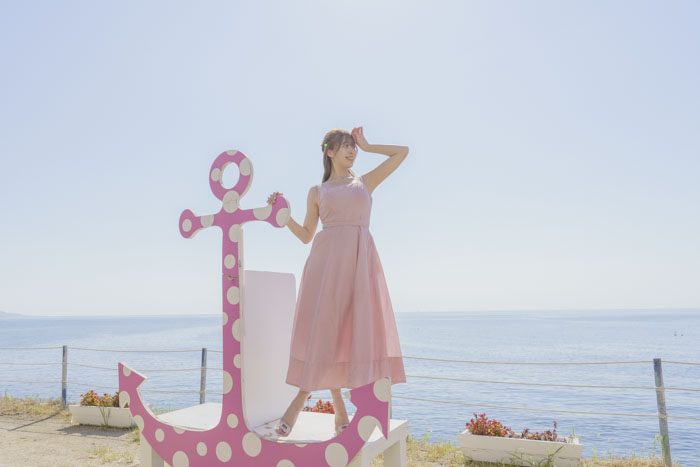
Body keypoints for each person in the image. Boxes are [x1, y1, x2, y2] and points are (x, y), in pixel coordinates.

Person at [266, 126, 408, 437]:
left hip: (360, 266)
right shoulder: (317, 192)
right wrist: (284, 217)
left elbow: (402, 153)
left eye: (353, 146)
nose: (352, 151)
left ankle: (314, 405)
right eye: (346, 146)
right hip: (325, 268)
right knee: (326, 334)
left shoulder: (365, 183)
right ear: (329, 152)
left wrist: (368, 146)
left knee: (346, 335)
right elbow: (306, 235)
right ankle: (332, 408)